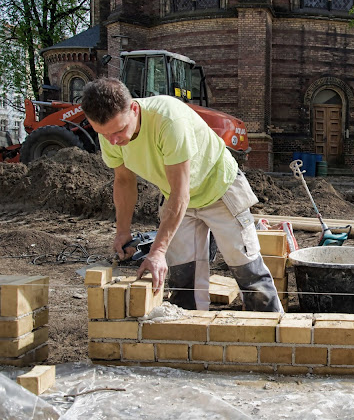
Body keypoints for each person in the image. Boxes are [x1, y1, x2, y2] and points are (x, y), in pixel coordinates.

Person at [81, 77, 283, 312]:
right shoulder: (110, 133)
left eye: (119, 131)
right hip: (177, 200)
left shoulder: (168, 119)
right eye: (104, 134)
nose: (113, 141)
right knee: (183, 280)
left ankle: (273, 337)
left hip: (220, 189)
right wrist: (122, 232)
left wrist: (157, 251)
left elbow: (181, 193)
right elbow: (124, 181)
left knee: (248, 271)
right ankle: (190, 340)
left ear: (134, 109)